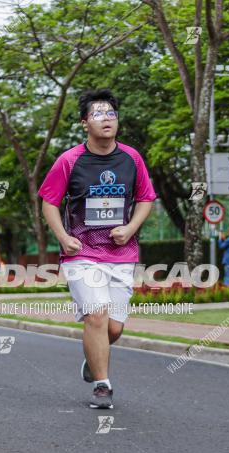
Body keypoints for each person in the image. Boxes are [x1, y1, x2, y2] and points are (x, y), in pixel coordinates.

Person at [39, 89, 155, 409]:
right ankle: (102, 385)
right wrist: (62, 236)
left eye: (111, 114)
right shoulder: (69, 160)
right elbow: (49, 202)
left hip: (122, 253)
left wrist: (131, 228)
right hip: (82, 252)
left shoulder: (132, 158)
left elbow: (146, 197)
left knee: (113, 328)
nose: (107, 120)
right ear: (84, 123)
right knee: (96, 315)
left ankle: (93, 362)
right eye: (99, 114)